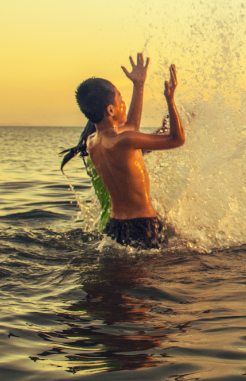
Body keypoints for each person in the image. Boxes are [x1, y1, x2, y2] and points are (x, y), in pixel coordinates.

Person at [61, 54, 185, 249]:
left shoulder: (92, 143)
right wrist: (170, 100)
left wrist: (139, 85)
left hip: (114, 226)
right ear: (111, 110)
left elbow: (132, 125)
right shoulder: (125, 140)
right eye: (120, 97)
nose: (123, 101)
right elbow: (176, 139)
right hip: (142, 224)